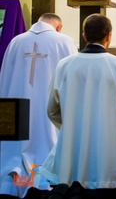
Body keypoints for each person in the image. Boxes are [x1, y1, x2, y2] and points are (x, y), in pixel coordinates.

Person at [40, 13, 116, 198]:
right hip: (110, 154)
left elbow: (52, 109)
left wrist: (71, 127)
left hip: (73, 152)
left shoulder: (64, 66)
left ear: (84, 36)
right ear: (109, 36)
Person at [0, 13, 77, 199]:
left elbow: (4, 78)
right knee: (50, 144)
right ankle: (45, 182)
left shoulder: (16, 42)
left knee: (16, 151)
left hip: (17, 111)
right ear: (59, 26)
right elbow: (74, 81)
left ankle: (15, 183)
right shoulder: (64, 42)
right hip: (50, 111)